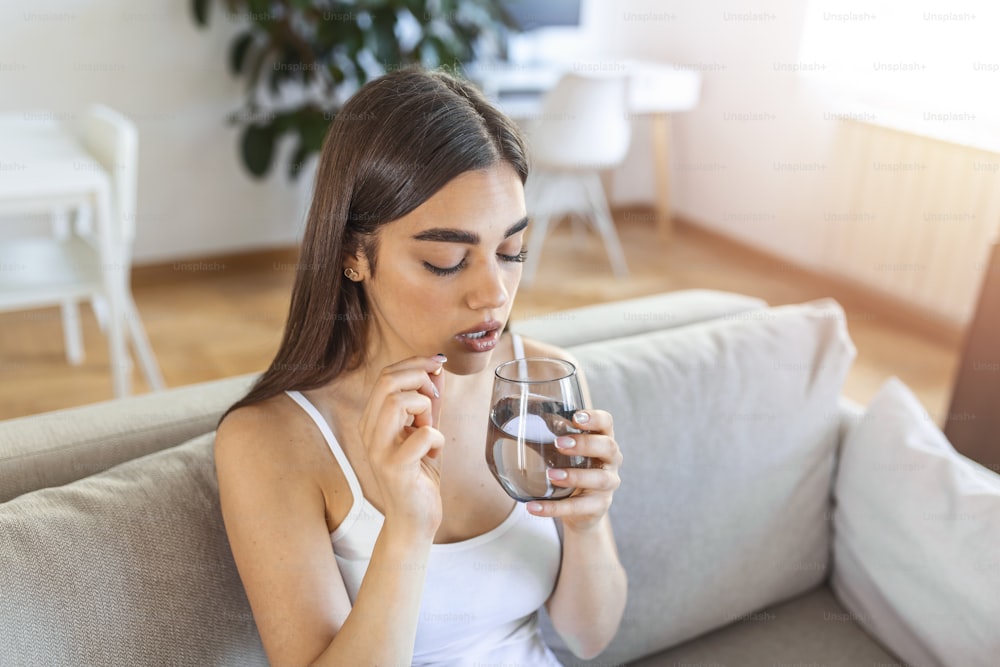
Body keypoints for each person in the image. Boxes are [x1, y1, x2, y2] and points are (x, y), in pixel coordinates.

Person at [214, 67, 626, 667]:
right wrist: (407, 527)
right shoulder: (271, 442)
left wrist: (588, 526)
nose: (494, 294)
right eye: (447, 261)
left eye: (511, 251)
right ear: (354, 254)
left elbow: (590, 638)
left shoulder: (543, 381)